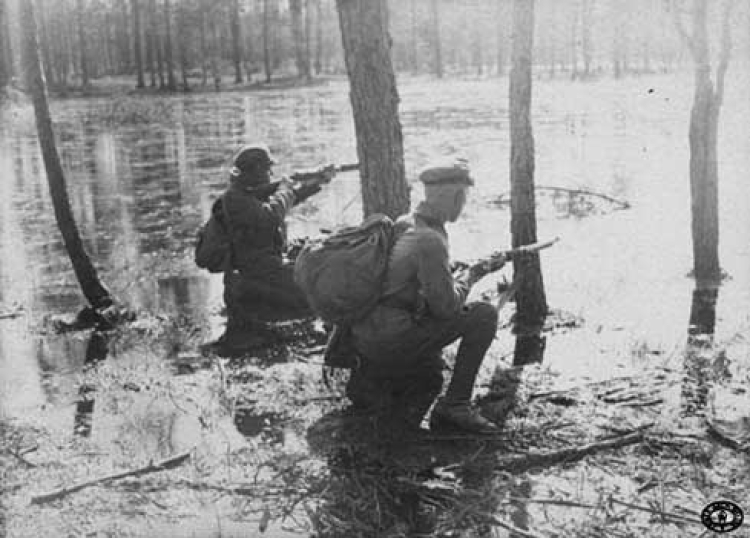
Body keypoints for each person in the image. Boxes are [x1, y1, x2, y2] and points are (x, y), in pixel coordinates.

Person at [347, 160, 504, 434]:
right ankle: (456, 404)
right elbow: (446, 308)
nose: (463, 205)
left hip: (367, 337)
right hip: (390, 340)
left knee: (429, 370)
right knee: (483, 314)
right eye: (462, 198)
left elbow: (406, 279)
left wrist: (452, 270)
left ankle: (378, 380)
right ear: (453, 197)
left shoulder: (405, 222)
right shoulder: (430, 240)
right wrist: (476, 272)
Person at [218, 143, 330, 355]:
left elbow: (283, 201)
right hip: (256, 274)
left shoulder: (245, 192)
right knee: (316, 291)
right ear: (256, 171)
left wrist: (316, 183)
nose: (271, 173)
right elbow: (270, 216)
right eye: (268, 169)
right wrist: (285, 188)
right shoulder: (235, 198)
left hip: (262, 268)